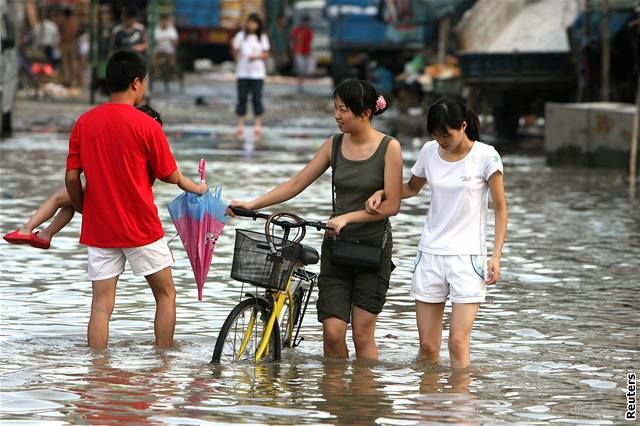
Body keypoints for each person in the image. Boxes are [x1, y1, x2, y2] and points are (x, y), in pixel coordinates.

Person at [230, 79, 403, 360]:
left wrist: (347, 217)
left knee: (361, 334)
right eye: (335, 109)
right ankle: (336, 401)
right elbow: (297, 183)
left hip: (373, 251)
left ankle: (366, 400)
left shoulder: (389, 147)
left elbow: (392, 204)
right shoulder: (333, 145)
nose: (337, 115)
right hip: (337, 249)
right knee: (332, 334)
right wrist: (252, 203)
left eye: (343, 110)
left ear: (366, 113)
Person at [64, 50, 207, 349]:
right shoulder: (147, 125)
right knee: (166, 294)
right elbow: (170, 175)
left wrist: (82, 208)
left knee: (101, 306)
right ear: (136, 83)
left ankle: (98, 372)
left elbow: (71, 178)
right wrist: (199, 189)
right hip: (140, 226)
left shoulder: (84, 122)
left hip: (100, 228)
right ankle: (163, 362)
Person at [365, 96, 508, 369]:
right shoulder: (430, 151)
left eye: (447, 134)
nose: (441, 140)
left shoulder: (486, 156)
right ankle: (429, 409)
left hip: (468, 259)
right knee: (428, 347)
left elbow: (501, 209)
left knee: (457, 342)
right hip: (430, 254)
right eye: (435, 134)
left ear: (463, 126)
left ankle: (459, 409)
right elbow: (410, 188)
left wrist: (496, 255)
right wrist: (383, 192)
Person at [3, 105, 165, 250]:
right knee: (71, 203)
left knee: (59, 198)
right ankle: (47, 234)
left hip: (105, 197)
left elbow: (74, 177)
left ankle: (26, 229)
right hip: (123, 202)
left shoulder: (123, 136)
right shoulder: (148, 147)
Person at [231, 13, 270, 141]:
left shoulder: (262, 37)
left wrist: (256, 57)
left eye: (255, 23)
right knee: (242, 98)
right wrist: (236, 58)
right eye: (250, 22)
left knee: (256, 99)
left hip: (257, 74)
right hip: (242, 73)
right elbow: (235, 51)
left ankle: (257, 125)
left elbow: (265, 54)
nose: (252, 25)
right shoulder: (240, 36)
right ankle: (240, 124)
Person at [290, 15, 313, 92]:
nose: (306, 24)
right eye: (305, 22)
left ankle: (301, 83)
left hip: (306, 52)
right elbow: (293, 40)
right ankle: (300, 84)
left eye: (307, 22)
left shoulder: (309, 31)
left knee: (305, 70)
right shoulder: (297, 30)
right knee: (301, 68)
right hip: (298, 52)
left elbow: (310, 42)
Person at [59, 7, 79, 86]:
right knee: (71, 64)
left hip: (65, 45)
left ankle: (67, 80)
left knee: (65, 64)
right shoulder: (75, 22)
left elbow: (64, 34)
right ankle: (72, 80)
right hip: (72, 45)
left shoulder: (65, 22)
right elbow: (74, 34)